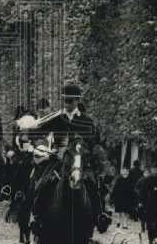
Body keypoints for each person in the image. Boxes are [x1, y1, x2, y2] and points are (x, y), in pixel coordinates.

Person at [35, 83, 105, 224]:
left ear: (77, 101)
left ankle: (100, 215)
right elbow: (39, 133)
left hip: (80, 160)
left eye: (70, 101)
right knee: (43, 182)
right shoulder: (56, 118)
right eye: (65, 100)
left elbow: (94, 142)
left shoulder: (87, 121)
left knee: (92, 184)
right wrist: (48, 148)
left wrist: (86, 150)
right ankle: (36, 216)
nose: (67, 104)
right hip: (59, 159)